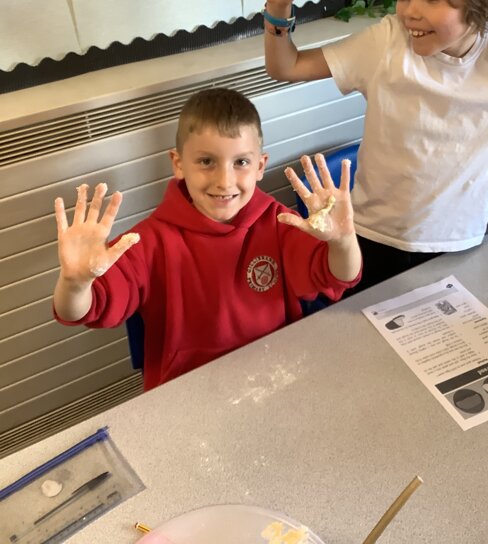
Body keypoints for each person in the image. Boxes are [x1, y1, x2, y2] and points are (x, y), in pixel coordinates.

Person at [263, 0, 488, 291]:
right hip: (371, 238)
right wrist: (278, 7)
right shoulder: (388, 42)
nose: (409, 11)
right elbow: (286, 66)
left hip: (458, 243)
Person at [53, 87, 362, 390]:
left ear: (260, 166)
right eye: (206, 162)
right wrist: (75, 284)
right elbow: (83, 310)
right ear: (178, 164)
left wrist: (343, 241)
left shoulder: (279, 221)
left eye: (240, 162)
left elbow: (337, 276)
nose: (224, 181)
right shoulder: (146, 243)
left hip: (275, 378)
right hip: (188, 392)